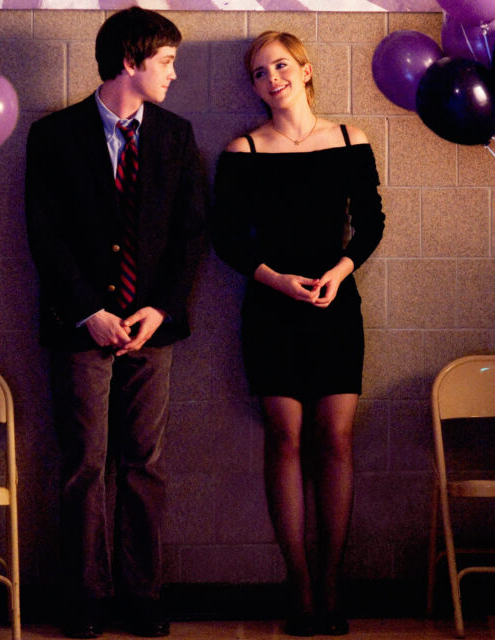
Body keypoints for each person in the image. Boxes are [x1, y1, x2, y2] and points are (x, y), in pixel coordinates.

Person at [25, 7, 206, 639]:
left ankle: (142, 594)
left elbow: (191, 233)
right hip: (80, 329)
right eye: (166, 61)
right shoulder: (54, 136)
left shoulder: (176, 136)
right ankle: (86, 597)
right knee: (84, 463)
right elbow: (45, 236)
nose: (174, 74)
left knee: (144, 463)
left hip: (152, 329)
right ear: (130, 61)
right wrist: (89, 312)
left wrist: (162, 307)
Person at [213, 31, 385, 637]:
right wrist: (276, 281)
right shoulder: (243, 149)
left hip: (335, 304)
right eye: (259, 73)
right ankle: (301, 587)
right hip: (272, 308)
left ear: (306, 70)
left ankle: (332, 584)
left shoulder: (349, 139)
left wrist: (339, 272)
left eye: (281, 66)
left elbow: (371, 223)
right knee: (284, 440)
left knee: (335, 440)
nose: (272, 79)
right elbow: (225, 237)